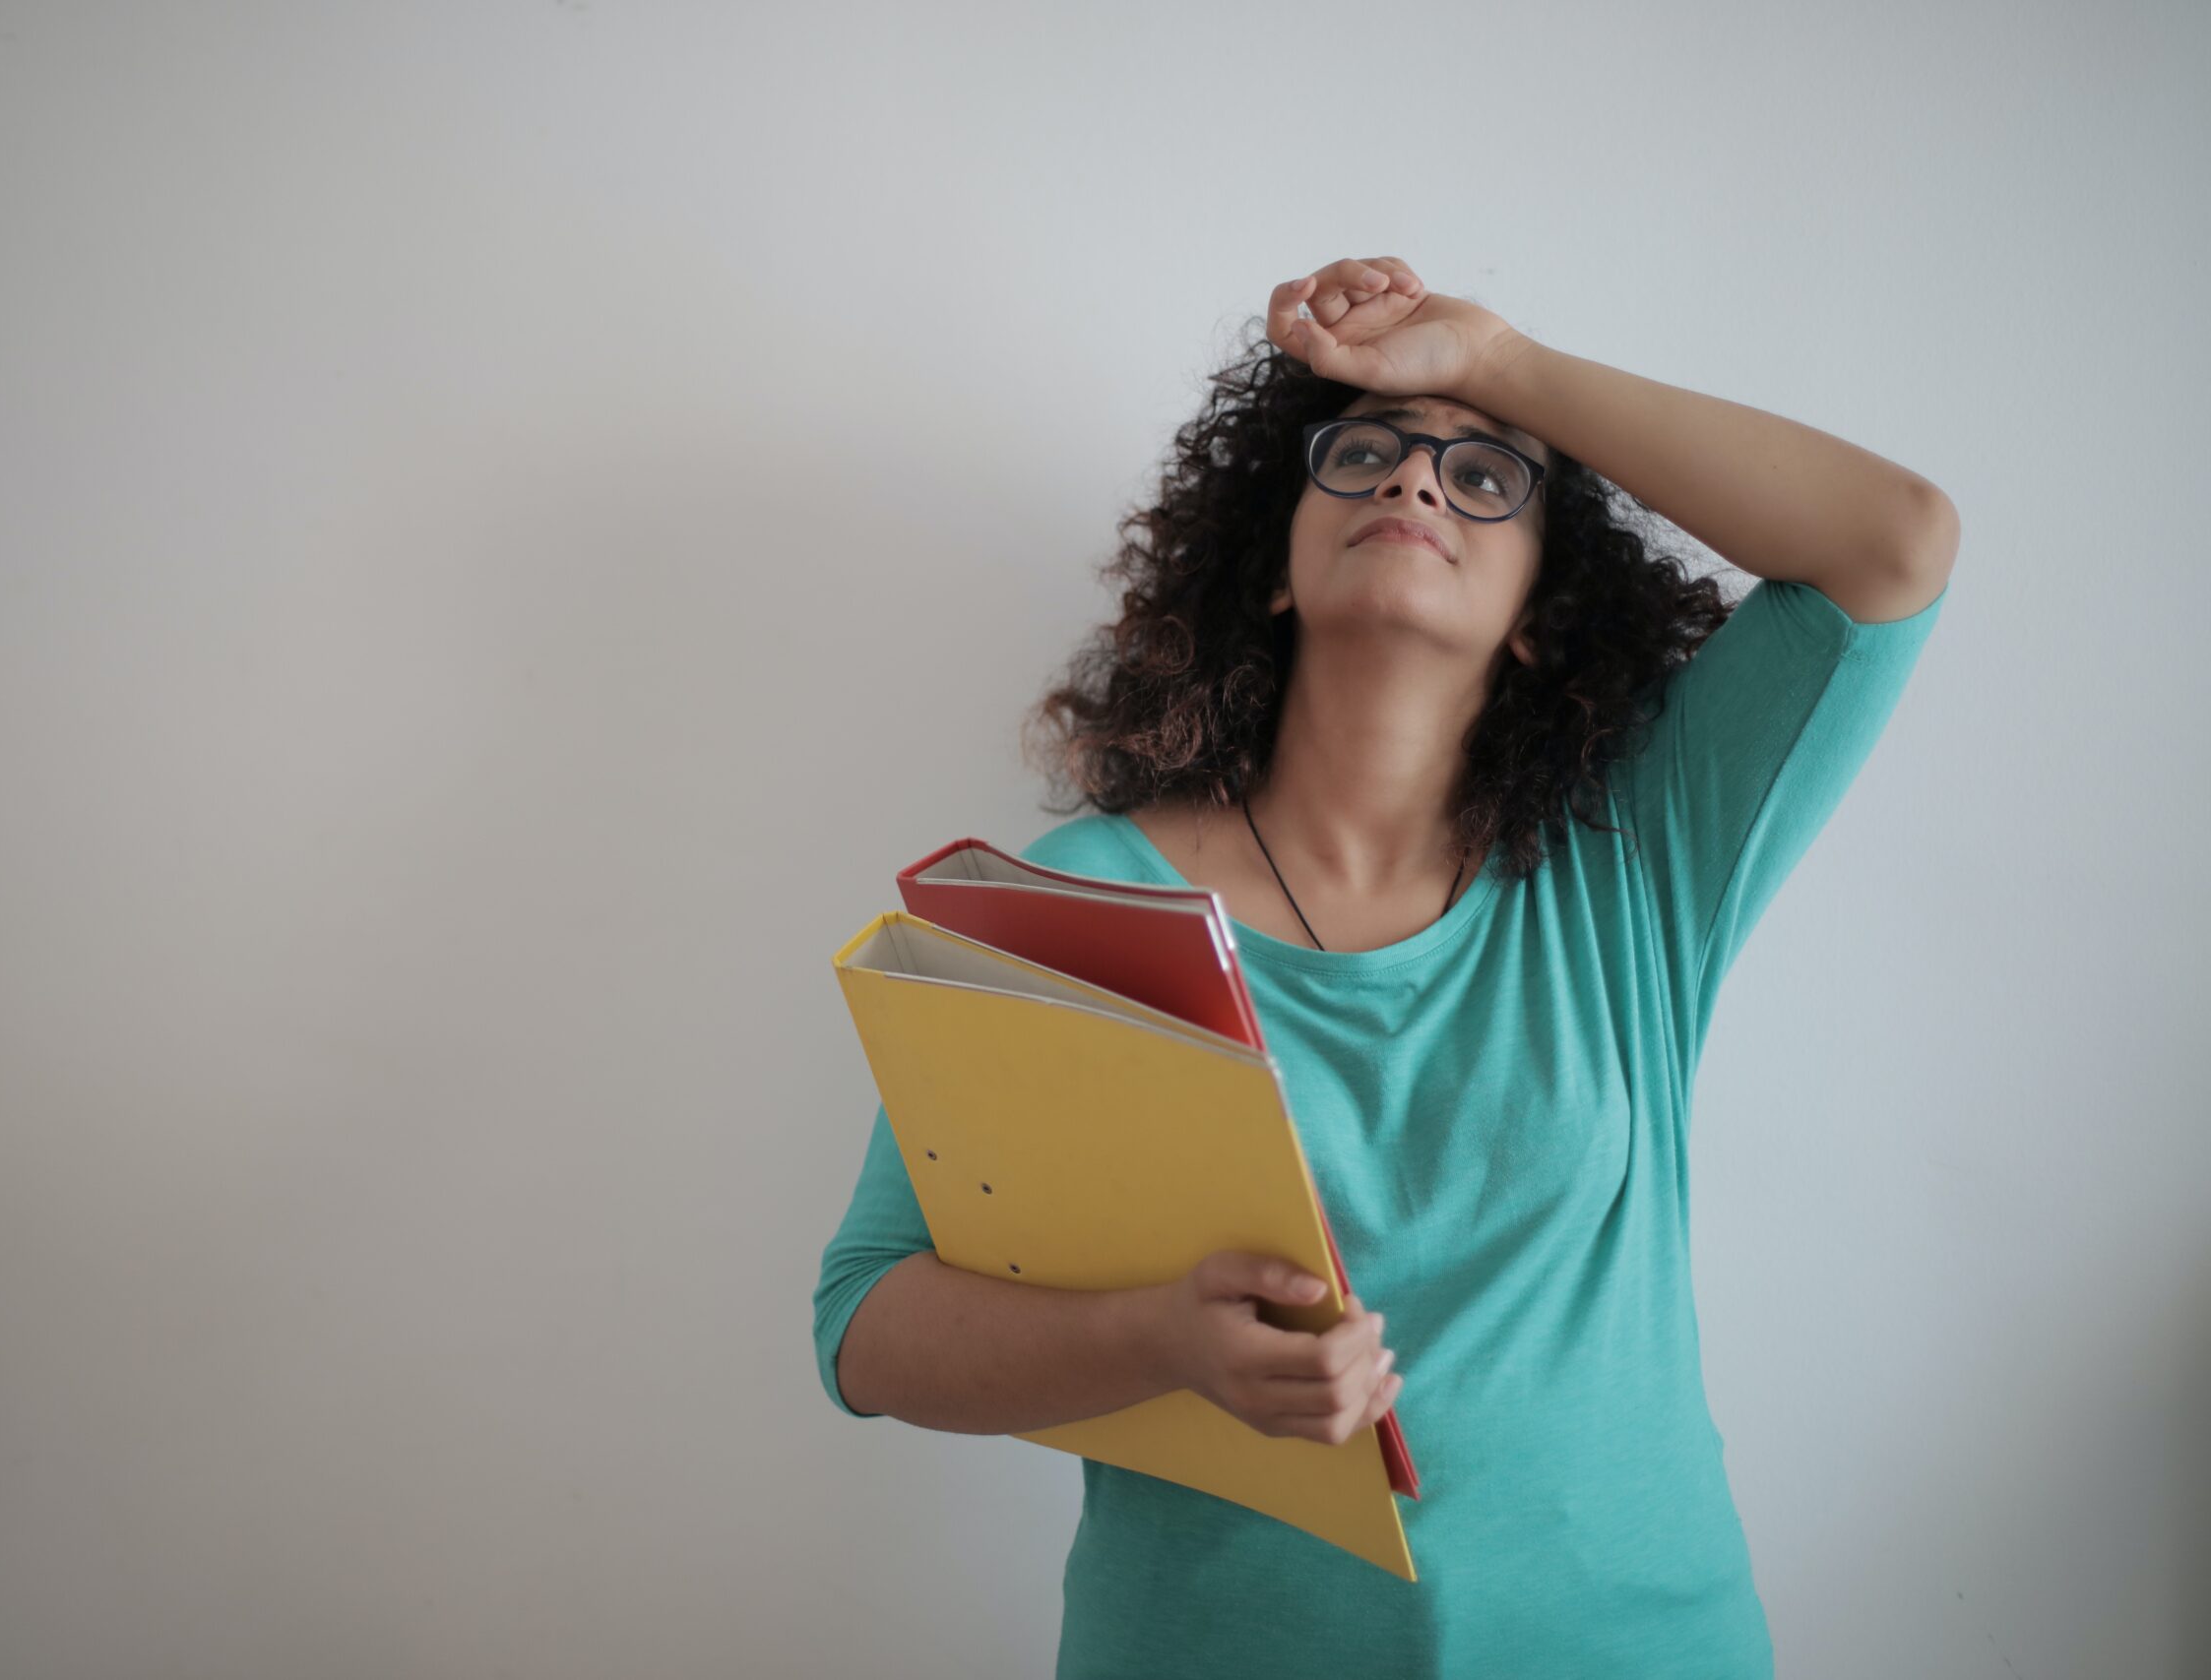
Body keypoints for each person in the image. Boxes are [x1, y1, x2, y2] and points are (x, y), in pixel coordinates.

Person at [812, 255, 1957, 1678]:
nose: (1415, 483)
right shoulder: (1077, 905)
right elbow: (867, 1325)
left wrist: (1492, 363)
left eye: (1485, 477)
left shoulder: (1640, 857)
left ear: (1542, 609)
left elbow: (1894, 543)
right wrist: (1163, 1341)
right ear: (1275, 570)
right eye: (1363, 454)